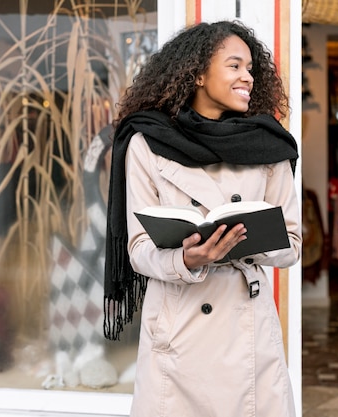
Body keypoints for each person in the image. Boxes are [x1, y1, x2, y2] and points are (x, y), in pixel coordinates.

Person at [103, 20, 301, 417]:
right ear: (197, 73)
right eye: (234, 66)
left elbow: (292, 246)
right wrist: (186, 260)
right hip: (179, 329)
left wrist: (248, 243)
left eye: (250, 68)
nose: (247, 77)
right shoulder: (146, 142)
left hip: (245, 327)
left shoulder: (269, 144)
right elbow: (139, 249)